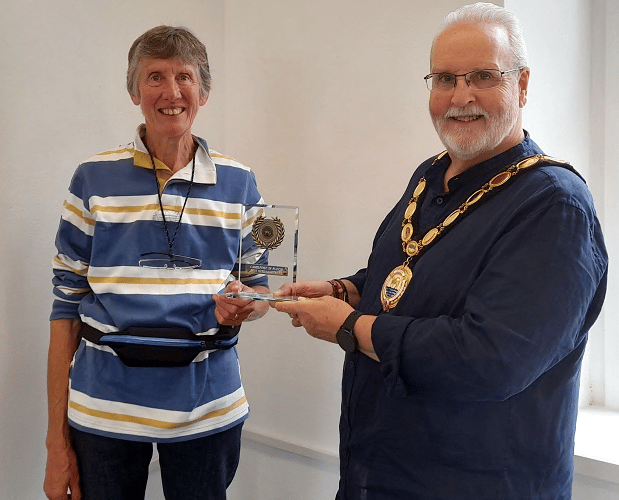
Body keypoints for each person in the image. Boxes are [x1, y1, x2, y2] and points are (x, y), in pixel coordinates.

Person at [274, 3, 608, 499]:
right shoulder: (433, 174)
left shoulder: (554, 206)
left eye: (482, 77)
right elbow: (415, 276)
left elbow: (490, 358)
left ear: (521, 84)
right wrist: (345, 289)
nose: (461, 96)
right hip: (378, 472)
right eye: (445, 79)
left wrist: (348, 325)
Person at [44, 26, 270, 500]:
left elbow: (260, 285)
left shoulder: (240, 181)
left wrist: (245, 303)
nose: (171, 93)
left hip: (207, 407)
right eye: (154, 77)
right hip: (102, 410)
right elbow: (64, 307)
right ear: (134, 91)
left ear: (203, 92)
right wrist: (55, 442)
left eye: (185, 77)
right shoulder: (92, 178)